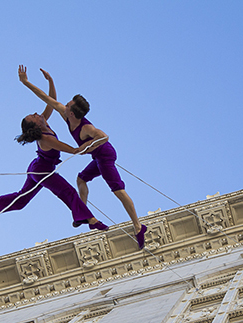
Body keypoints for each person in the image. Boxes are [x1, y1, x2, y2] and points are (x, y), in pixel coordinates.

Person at [18, 68, 147, 249]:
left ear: (72, 113)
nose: (65, 104)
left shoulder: (87, 128)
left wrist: (84, 148)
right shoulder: (66, 114)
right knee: (81, 179)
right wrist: (30, 82)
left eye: (68, 105)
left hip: (105, 156)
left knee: (118, 191)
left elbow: (104, 137)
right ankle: (83, 213)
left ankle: (138, 227)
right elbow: (47, 98)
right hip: (96, 156)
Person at [0, 67, 107, 232]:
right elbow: (74, 150)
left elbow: (51, 100)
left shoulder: (44, 122)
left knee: (21, 201)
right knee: (68, 192)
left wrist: (50, 81)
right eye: (33, 116)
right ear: (35, 125)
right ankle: (92, 220)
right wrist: (94, 142)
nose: (36, 113)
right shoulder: (46, 138)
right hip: (42, 172)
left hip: (36, 168)